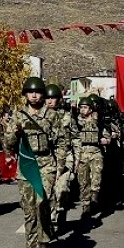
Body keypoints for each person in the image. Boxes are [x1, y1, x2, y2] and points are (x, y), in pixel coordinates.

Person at [1, 77, 60, 248]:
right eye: (30, 92)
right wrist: (13, 134)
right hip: (26, 165)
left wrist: (60, 166)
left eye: (38, 92)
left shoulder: (52, 116)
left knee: (42, 205)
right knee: (29, 211)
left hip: (45, 165)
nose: (34, 95)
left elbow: (61, 142)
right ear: (25, 94)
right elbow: (7, 145)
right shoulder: (18, 116)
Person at [73, 95, 111, 219]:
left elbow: (107, 136)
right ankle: (86, 206)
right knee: (83, 182)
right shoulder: (76, 122)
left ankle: (94, 196)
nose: (82, 110)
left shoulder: (98, 122)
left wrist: (105, 139)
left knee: (96, 177)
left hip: (95, 153)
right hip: (82, 154)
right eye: (81, 107)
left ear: (91, 109)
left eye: (85, 107)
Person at [43, 84, 74, 230]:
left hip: (65, 157)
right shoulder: (40, 116)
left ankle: (61, 210)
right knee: (47, 192)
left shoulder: (67, 117)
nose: (50, 101)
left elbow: (76, 138)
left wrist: (77, 158)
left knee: (61, 189)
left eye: (53, 98)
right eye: (47, 98)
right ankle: (51, 219)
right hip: (47, 157)